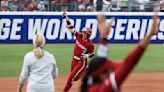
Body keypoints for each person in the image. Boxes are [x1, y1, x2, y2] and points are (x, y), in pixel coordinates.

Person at [80, 8, 159, 92]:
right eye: (109, 69)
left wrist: (104, 36)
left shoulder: (89, 83)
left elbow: (101, 56)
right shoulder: (106, 88)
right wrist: (150, 34)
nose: (112, 69)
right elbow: (128, 63)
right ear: (102, 75)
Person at [62, 12, 94, 92]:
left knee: (71, 77)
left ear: (88, 35)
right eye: (83, 32)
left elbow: (92, 54)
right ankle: (86, 71)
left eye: (84, 33)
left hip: (81, 62)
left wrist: (87, 56)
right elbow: (71, 28)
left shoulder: (90, 44)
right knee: (75, 78)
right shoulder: (79, 36)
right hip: (74, 60)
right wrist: (66, 18)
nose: (82, 33)